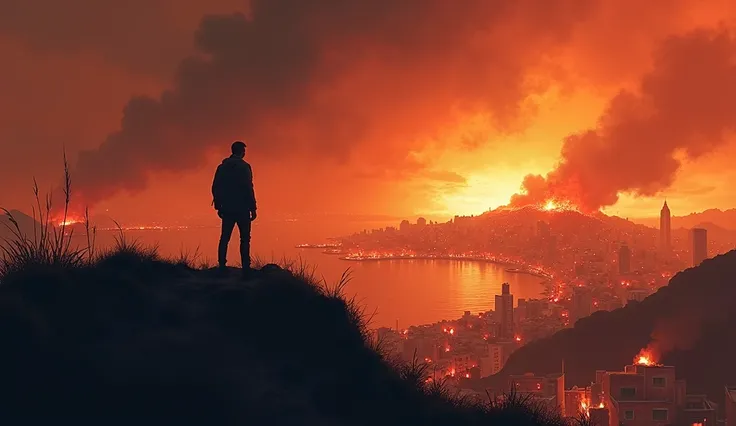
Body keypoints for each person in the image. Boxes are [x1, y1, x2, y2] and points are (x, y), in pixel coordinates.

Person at [212, 141, 257, 277]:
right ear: (241, 152)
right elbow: (249, 188)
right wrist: (253, 208)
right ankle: (246, 267)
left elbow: (215, 187)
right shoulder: (244, 167)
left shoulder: (222, 167)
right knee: (244, 239)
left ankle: (221, 264)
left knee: (225, 237)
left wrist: (218, 205)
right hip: (242, 208)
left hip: (227, 208)